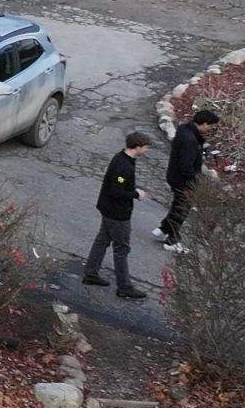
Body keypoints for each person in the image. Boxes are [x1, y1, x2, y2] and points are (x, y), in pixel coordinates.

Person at [83, 132, 147, 299]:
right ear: (137, 147)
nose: (146, 150)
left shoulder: (121, 158)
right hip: (118, 213)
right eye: (145, 147)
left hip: (107, 209)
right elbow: (116, 190)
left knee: (102, 240)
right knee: (121, 248)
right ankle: (124, 286)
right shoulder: (124, 166)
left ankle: (91, 273)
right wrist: (136, 194)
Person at [157, 107, 216, 250]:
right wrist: (195, 179)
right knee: (182, 208)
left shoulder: (185, 130)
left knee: (178, 204)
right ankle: (171, 240)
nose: (210, 129)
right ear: (204, 123)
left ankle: (164, 228)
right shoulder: (190, 140)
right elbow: (186, 166)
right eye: (210, 126)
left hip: (174, 175)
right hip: (182, 180)